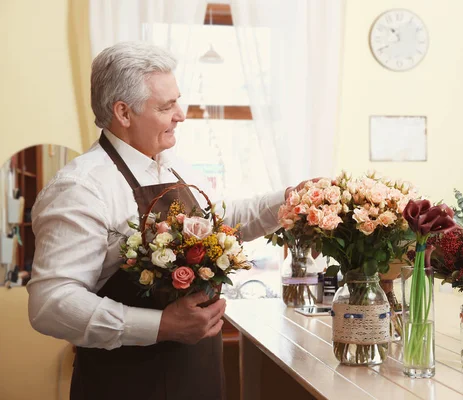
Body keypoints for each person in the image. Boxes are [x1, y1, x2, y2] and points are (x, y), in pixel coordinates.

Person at [27, 41, 305, 400]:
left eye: (177, 100)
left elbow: (222, 219)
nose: (181, 114)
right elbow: (51, 303)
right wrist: (161, 326)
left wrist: (288, 201)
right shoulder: (81, 187)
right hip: (126, 386)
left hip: (197, 376)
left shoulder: (172, 164)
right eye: (166, 105)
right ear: (123, 113)